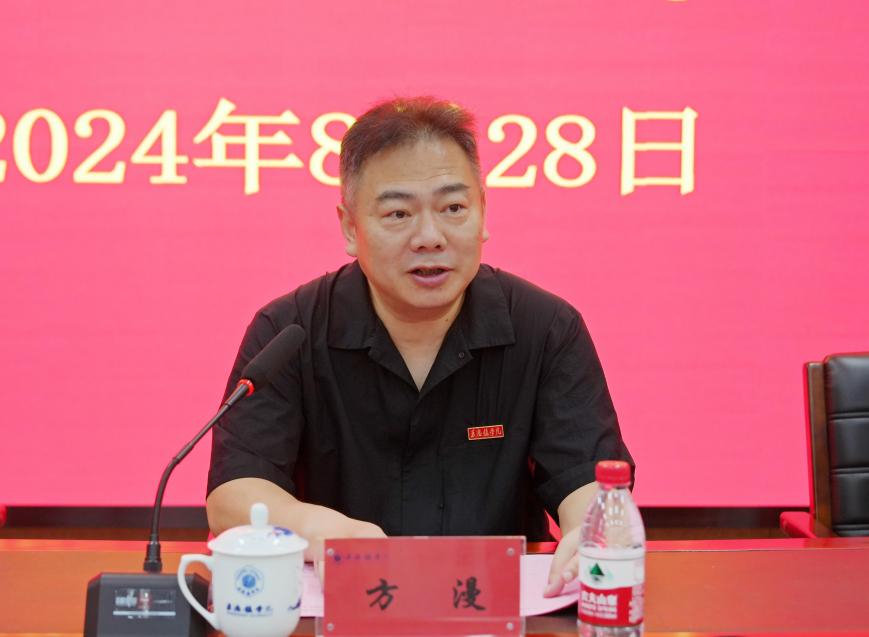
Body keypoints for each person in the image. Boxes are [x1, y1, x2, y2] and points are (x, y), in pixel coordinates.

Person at [205, 96, 633, 596]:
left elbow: (590, 482)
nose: (430, 237)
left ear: (483, 212)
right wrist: (317, 528)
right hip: (340, 609)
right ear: (350, 227)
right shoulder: (288, 331)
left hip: (495, 611)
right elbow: (234, 494)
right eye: (398, 213)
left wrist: (590, 532)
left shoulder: (546, 328)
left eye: (453, 208)